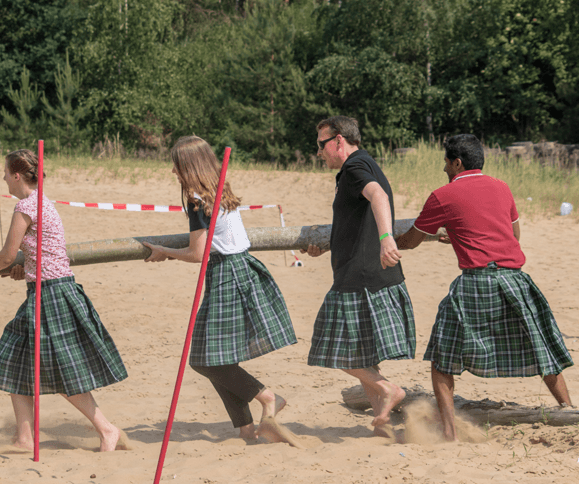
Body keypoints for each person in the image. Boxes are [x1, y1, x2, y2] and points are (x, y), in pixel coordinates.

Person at [395, 133, 574, 441]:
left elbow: (410, 242)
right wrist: (460, 236)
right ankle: (570, 412)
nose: (444, 169)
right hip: (514, 278)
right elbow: (511, 235)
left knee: (442, 358)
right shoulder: (502, 187)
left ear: (457, 162)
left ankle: (449, 432)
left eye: (446, 163)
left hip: (476, 283)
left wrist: (385, 241)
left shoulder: (442, 196)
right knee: (543, 348)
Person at [143, 136, 300, 446]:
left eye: (177, 166)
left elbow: (198, 253)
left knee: (206, 360)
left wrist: (163, 250)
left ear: (189, 166)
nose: (174, 172)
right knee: (210, 356)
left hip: (228, 273)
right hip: (237, 270)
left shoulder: (198, 200)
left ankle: (268, 397)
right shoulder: (219, 190)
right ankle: (244, 428)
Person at [0, 149, 128, 452]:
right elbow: (37, 251)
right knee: (13, 361)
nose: (4, 178)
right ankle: (24, 436)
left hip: (51, 294)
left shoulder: (26, 205)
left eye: (5, 172)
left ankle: (106, 429)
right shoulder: (42, 202)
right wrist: (23, 268)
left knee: (61, 371)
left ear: (16, 175)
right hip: (49, 289)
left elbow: (7, 254)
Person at [301, 116, 415, 437]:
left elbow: (378, 196)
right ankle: (382, 426)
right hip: (367, 273)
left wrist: (386, 239)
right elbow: (357, 220)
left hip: (358, 278)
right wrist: (326, 247)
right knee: (364, 355)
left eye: (321, 144)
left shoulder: (354, 168)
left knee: (334, 351)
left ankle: (389, 389)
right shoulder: (363, 165)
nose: (318, 151)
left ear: (339, 141)